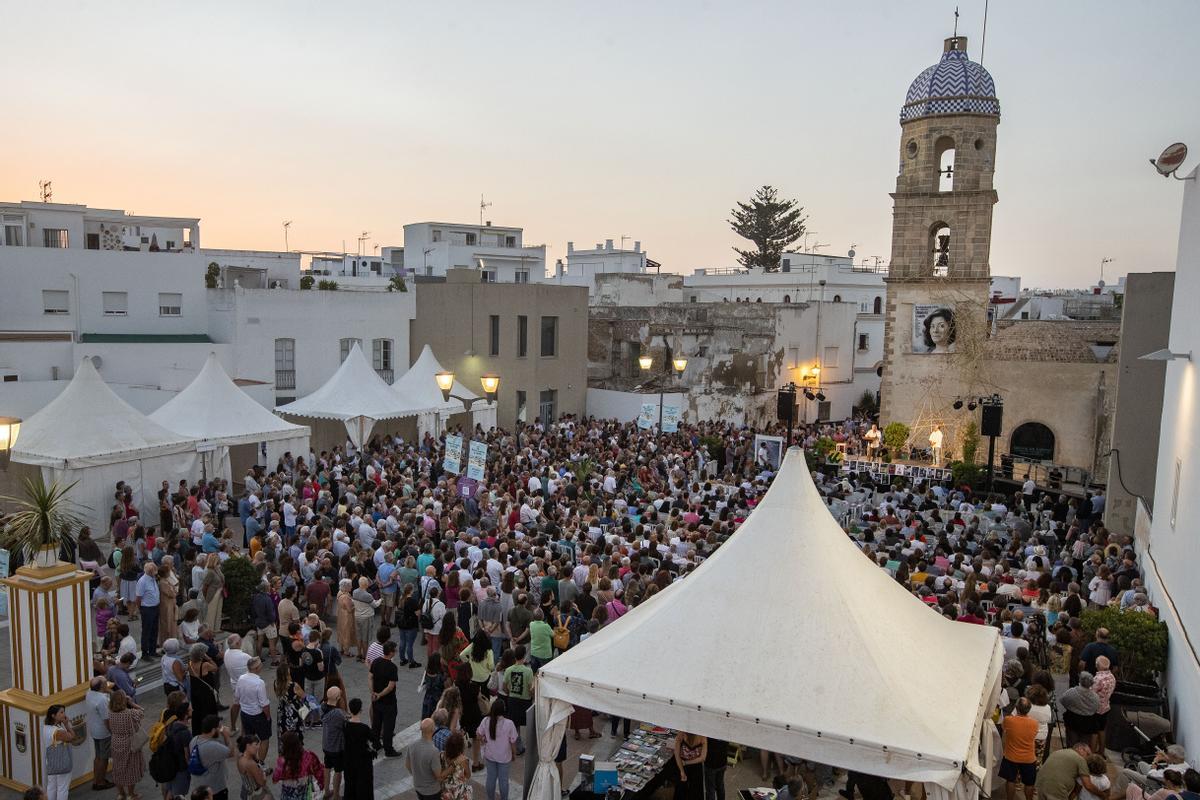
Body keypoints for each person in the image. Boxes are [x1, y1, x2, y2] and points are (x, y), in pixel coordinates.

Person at [476, 699, 517, 800]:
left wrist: (483, 740)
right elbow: (513, 741)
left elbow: (478, 734)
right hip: (504, 757)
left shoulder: (485, 720)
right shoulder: (509, 723)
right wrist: (514, 753)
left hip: (489, 755)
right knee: (503, 781)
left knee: (490, 779)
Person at [109, 689, 146, 800]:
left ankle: (121, 794)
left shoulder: (110, 713)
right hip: (130, 743)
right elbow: (142, 711)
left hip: (116, 742)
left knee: (118, 768)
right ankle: (131, 794)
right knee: (131, 768)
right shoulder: (130, 713)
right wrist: (132, 703)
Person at [189, 714, 236, 800]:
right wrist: (226, 735)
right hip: (215, 789)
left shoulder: (194, 740)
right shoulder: (212, 746)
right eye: (220, 727)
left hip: (200, 786)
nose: (221, 729)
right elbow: (231, 753)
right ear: (213, 730)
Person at [1000, 698, 1039, 800]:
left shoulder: (1008, 720)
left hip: (1011, 756)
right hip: (1028, 758)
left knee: (1010, 780)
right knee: (1029, 783)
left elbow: (1004, 731)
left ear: (1016, 708)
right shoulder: (1034, 723)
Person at [1035, 743, 1103, 800]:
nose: (1088, 759)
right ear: (1080, 749)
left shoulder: (1059, 751)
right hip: (1056, 788)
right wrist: (1103, 795)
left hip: (1040, 784)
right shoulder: (1080, 759)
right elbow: (1088, 785)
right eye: (1088, 754)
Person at [235, 658, 272, 760]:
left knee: (249, 739)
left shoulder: (241, 678)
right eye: (260, 665)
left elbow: (237, 697)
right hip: (258, 715)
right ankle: (260, 764)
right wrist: (268, 717)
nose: (262, 666)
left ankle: (247, 758)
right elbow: (264, 704)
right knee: (264, 739)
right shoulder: (259, 683)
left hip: (245, 713)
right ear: (256, 668)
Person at [272, 731, 326, 800]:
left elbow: (275, 779)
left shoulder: (282, 762)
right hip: (303, 795)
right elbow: (320, 772)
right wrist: (321, 785)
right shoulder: (309, 757)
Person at [42, 704, 81, 800]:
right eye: (61, 712)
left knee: (51, 786)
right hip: (62, 762)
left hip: (51, 762)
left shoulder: (46, 727)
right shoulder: (58, 731)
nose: (64, 714)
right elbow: (72, 737)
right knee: (62, 788)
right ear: (53, 715)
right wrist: (67, 724)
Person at [370, 640, 401, 757]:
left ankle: (376, 743)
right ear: (391, 653)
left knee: (376, 722)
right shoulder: (392, 667)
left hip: (376, 700)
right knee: (388, 725)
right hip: (389, 701)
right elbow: (390, 686)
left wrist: (373, 692)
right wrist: (380, 694)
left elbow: (370, 677)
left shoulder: (376, 662)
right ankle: (388, 749)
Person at [341, 698, 376, 800]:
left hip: (349, 759)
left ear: (350, 710)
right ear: (360, 710)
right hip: (362, 760)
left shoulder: (345, 725)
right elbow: (374, 740)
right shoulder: (364, 728)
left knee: (350, 783)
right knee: (364, 784)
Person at [85, 676, 116, 790]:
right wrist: (112, 731)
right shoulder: (102, 700)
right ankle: (101, 782)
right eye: (105, 683)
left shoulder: (89, 693)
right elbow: (106, 719)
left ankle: (96, 780)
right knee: (104, 758)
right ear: (102, 686)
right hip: (104, 732)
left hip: (94, 729)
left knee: (97, 756)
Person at [320, 686, 347, 800]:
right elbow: (346, 724)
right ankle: (336, 795)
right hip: (336, 747)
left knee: (327, 767)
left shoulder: (322, 707)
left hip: (326, 744)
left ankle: (326, 792)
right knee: (338, 771)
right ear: (338, 697)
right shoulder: (338, 713)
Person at [408, 718, 445, 800]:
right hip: (432, 791)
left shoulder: (412, 745)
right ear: (433, 729)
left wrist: (418, 777)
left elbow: (407, 765)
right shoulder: (433, 751)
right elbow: (438, 776)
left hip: (418, 787)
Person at [437, 731, 473, 800]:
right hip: (459, 792)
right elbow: (468, 775)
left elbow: (440, 774)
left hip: (446, 791)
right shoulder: (463, 760)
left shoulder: (442, 755)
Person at [137, 561, 162, 659]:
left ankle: (152, 650)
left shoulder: (153, 578)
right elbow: (138, 597)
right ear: (149, 571)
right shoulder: (142, 581)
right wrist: (141, 609)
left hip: (155, 607)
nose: (155, 573)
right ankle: (145, 653)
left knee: (154, 630)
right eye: (154, 571)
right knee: (147, 631)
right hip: (147, 608)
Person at [674, 731, 708, 800]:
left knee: (682, 790)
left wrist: (682, 769)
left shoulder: (681, 735)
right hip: (693, 765)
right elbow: (702, 758)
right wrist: (682, 769)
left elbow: (677, 755)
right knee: (694, 791)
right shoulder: (702, 737)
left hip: (685, 764)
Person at [235, 734, 270, 800]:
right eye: (256, 744)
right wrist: (264, 775)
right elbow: (262, 782)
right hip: (256, 794)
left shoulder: (239, 757)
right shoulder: (251, 764)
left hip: (245, 791)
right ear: (248, 746)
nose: (258, 747)